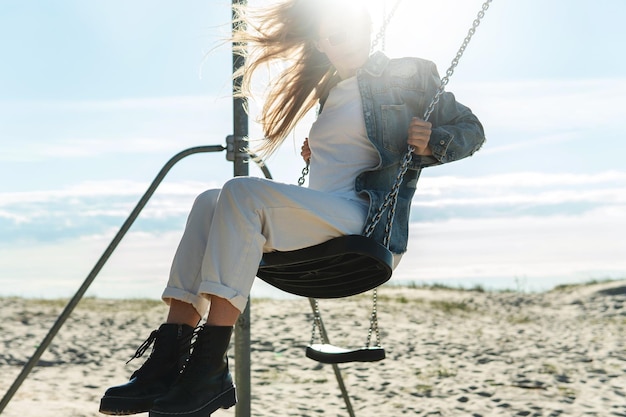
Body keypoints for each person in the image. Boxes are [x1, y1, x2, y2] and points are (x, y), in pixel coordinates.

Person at [99, 0, 485, 416]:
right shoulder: (330, 90)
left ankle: (209, 368)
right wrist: (317, 154)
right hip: (327, 218)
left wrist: (434, 142)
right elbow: (348, 153)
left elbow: (472, 130)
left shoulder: (409, 75)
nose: (345, 42)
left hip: (366, 223)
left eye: (352, 30)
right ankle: (168, 357)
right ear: (323, 44)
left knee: (241, 192)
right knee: (210, 202)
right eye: (334, 37)